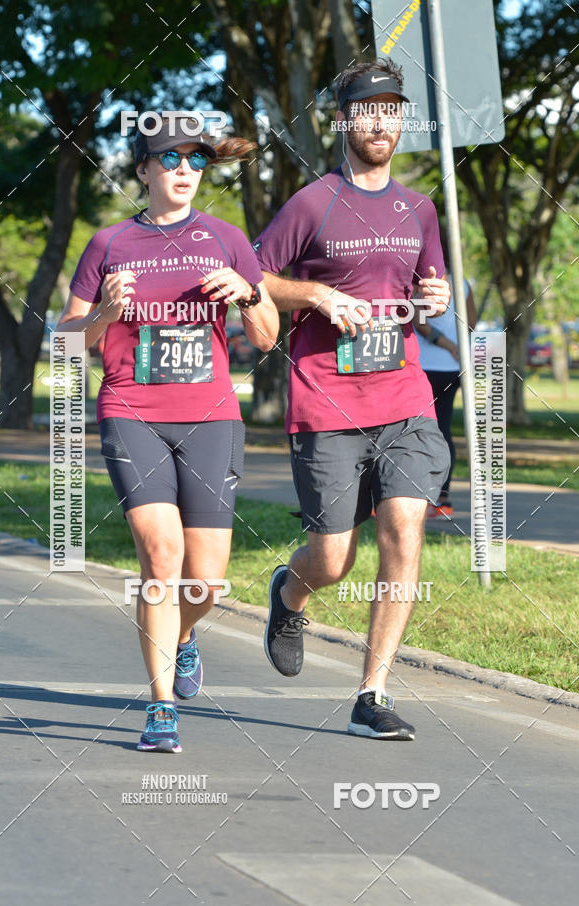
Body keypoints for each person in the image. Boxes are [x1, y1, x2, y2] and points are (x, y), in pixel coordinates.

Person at [57, 114, 279, 753]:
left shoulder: (228, 238)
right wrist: (104, 313)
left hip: (211, 418)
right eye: (171, 159)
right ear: (143, 170)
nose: (185, 170)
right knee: (161, 555)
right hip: (131, 413)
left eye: (197, 161)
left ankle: (184, 637)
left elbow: (265, 338)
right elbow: (67, 346)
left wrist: (245, 293)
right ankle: (159, 709)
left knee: (206, 580)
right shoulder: (107, 244)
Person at [253, 60, 451, 740]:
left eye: (393, 110)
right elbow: (252, 278)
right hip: (327, 406)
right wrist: (315, 294)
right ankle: (290, 591)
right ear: (344, 121)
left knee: (404, 528)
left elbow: (429, 292)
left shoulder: (419, 210)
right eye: (369, 110)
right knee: (334, 558)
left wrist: (438, 299)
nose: (381, 123)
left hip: (404, 398)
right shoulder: (311, 204)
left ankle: (373, 691)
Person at [416, 228, 477, 518]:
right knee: (443, 430)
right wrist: (457, 346)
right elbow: (472, 324)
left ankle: (430, 497)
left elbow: (421, 324)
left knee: (420, 432)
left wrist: (447, 344)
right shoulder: (462, 284)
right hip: (453, 368)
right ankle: (442, 497)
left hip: (427, 367)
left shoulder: (425, 285)